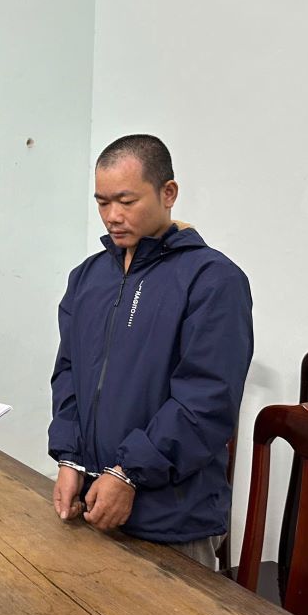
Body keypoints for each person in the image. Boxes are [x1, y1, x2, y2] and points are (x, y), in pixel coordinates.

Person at [48, 134, 254, 569]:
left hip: (172, 519)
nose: (112, 216)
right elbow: (69, 375)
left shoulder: (212, 280)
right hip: (94, 502)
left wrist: (128, 473)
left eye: (126, 200)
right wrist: (70, 456)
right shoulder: (88, 278)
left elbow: (206, 402)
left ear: (169, 193)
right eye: (102, 202)